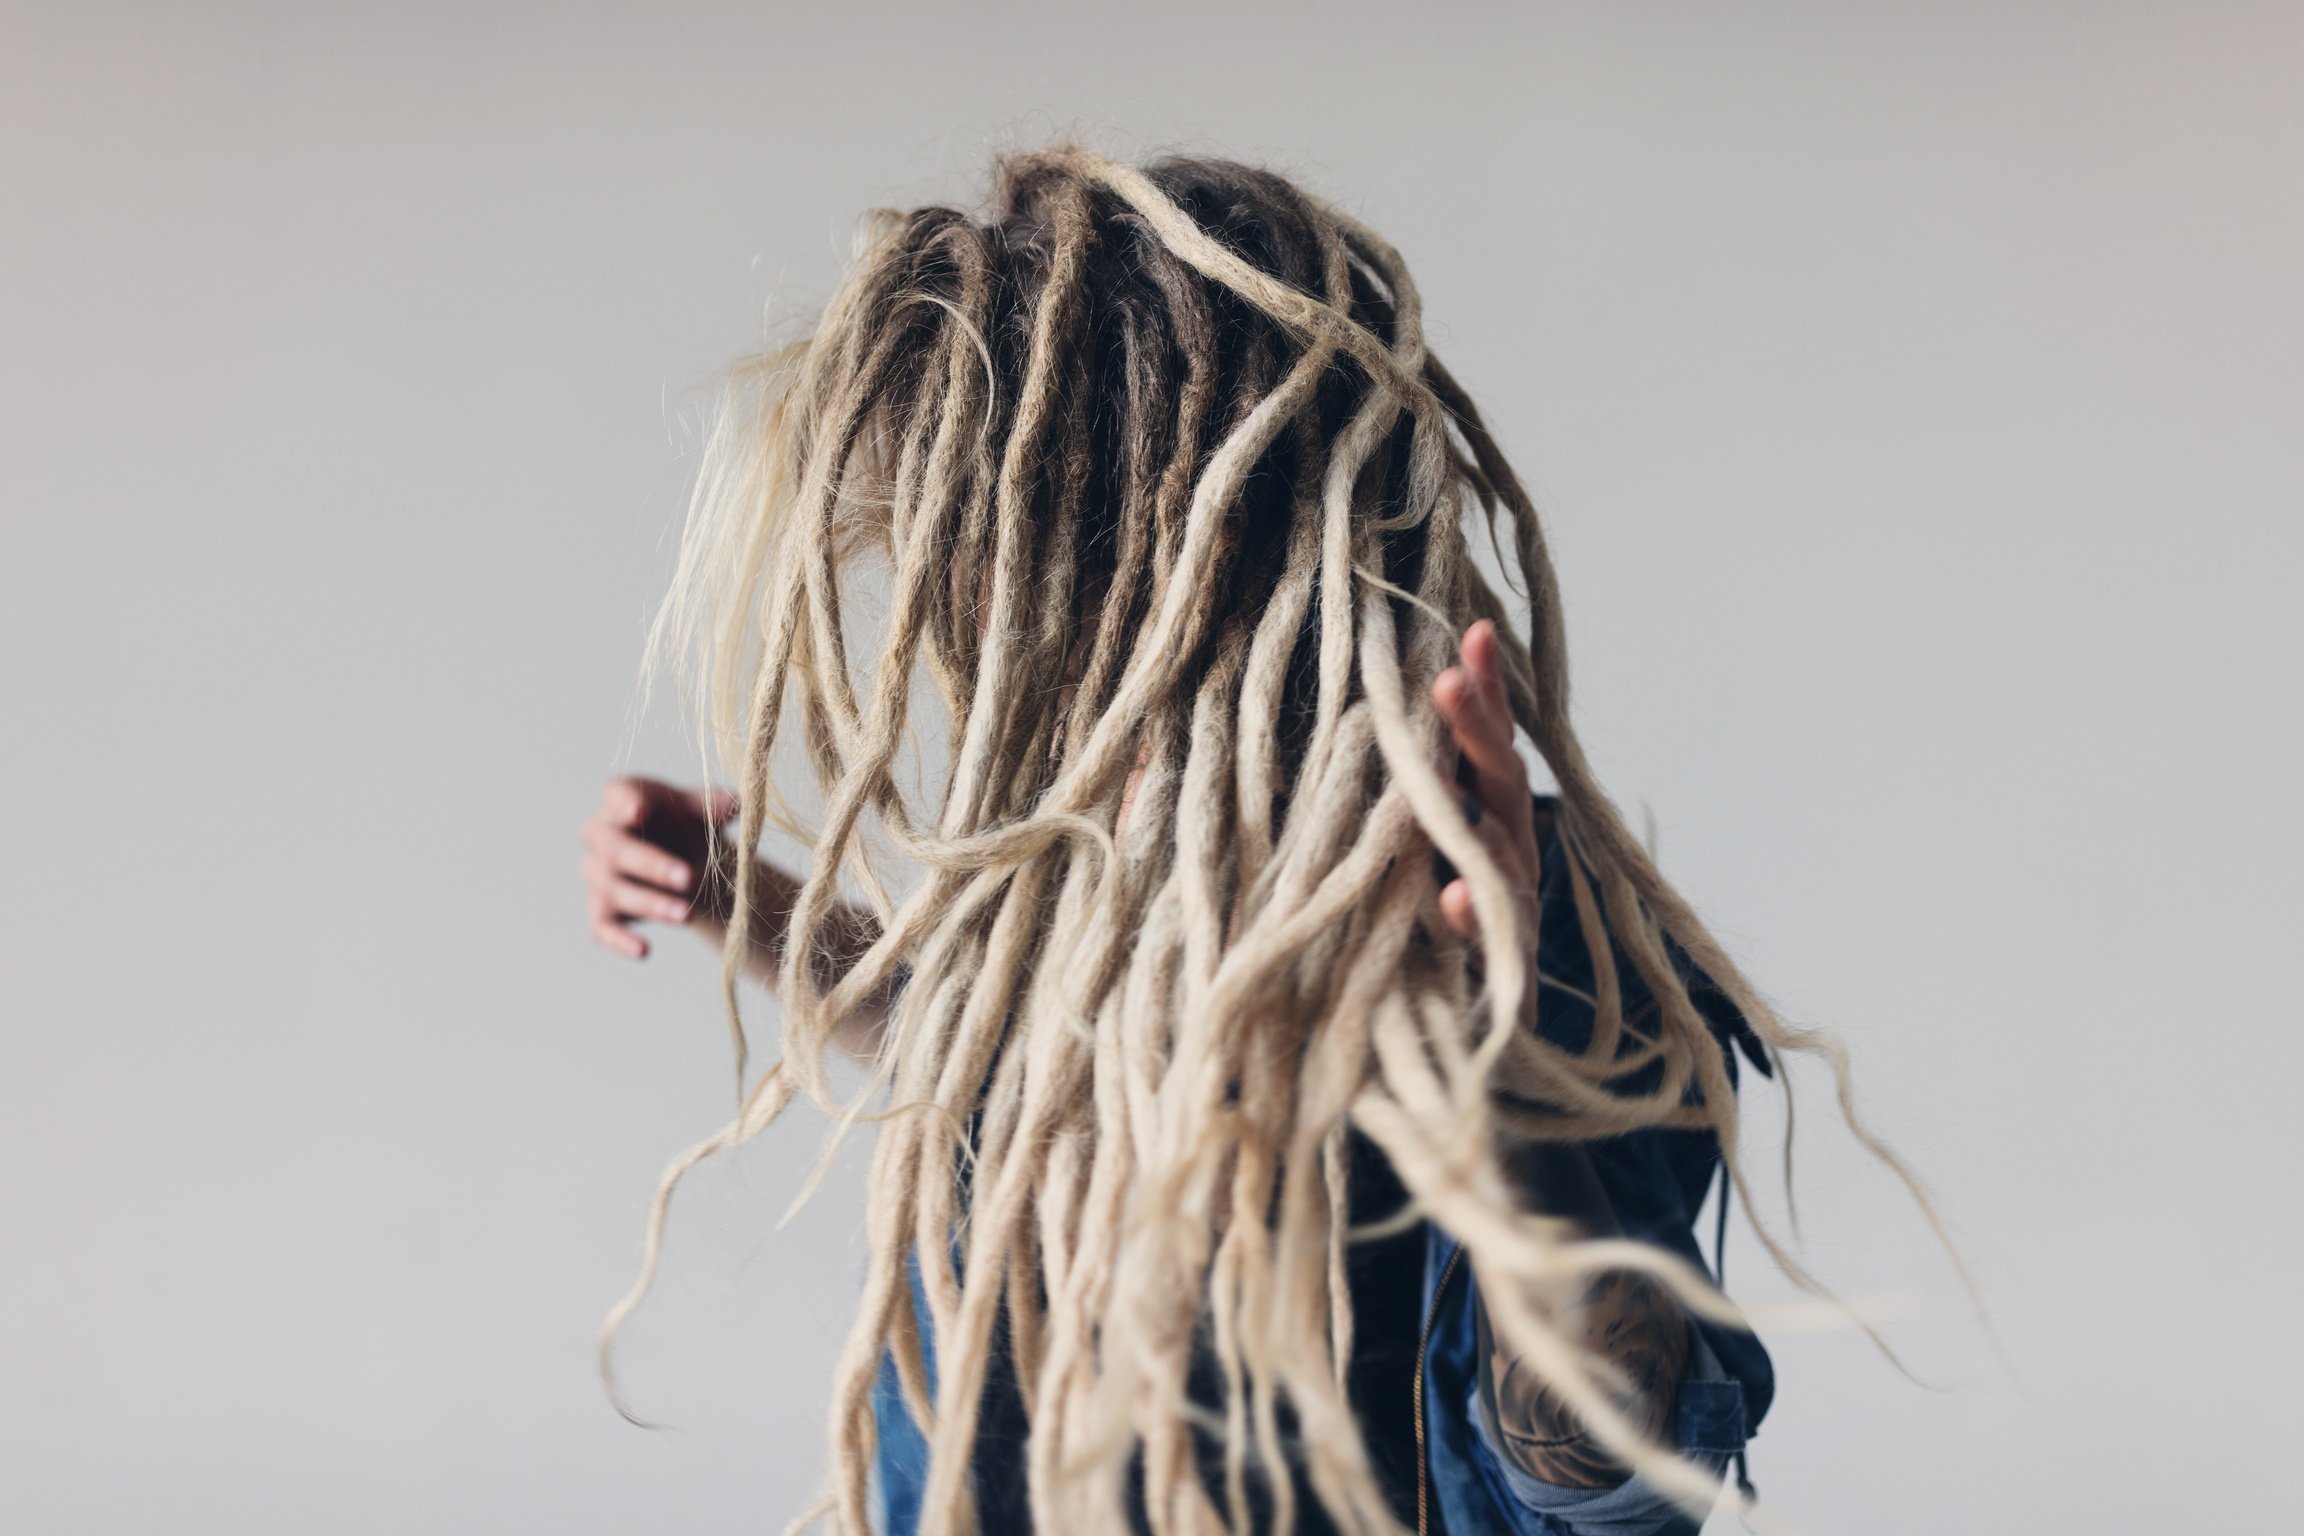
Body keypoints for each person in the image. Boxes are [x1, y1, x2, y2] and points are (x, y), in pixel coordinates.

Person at [581, 149, 1940, 1536]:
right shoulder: (1076, 890)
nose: (983, 656)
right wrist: (744, 903)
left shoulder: (1537, 929)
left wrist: (1486, 1041)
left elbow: (1620, 1469)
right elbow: (1002, 1056)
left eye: (1029, 596)